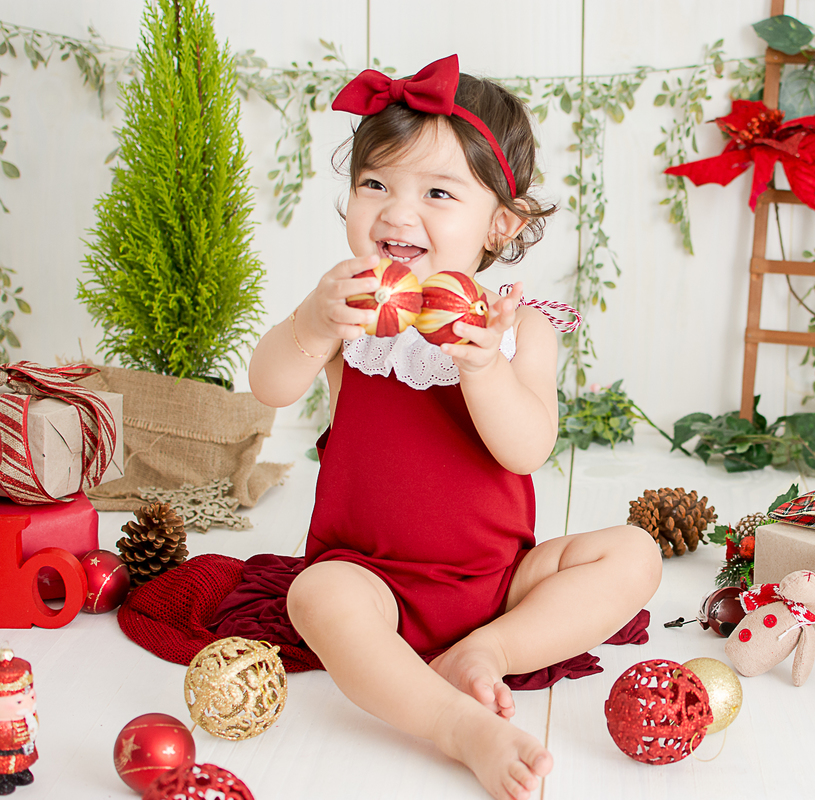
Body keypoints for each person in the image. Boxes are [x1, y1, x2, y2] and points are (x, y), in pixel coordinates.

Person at [247, 56, 662, 800]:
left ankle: (486, 651)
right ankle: (455, 725)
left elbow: (526, 447)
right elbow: (268, 386)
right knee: (317, 597)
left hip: (500, 584)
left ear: (500, 223)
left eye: (437, 192)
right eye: (375, 184)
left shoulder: (519, 331)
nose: (398, 213)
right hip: (368, 579)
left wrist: (482, 367)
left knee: (635, 555)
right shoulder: (350, 312)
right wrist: (310, 326)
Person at [0, 649, 37, 796]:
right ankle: (3, 777)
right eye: (19, 701)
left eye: (31, 698)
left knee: (20, 758)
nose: (28, 705)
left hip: (20, 747)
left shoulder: (26, 716)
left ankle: (19, 771)